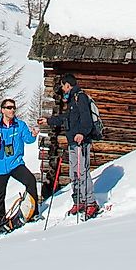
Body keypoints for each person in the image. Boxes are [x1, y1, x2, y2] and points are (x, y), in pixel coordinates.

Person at [42, 72, 101, 219]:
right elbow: (66, 118)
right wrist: (48, 121)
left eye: (63, 86)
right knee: (73, 172)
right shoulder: (72, 101)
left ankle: (91, 203)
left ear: (68, 85)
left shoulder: (80, 97)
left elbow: (86, 120)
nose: (62, 89)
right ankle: (79, 201)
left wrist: (81, 133)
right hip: (73, 142)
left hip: (82, 142)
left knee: (82, 172)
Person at [0, 97, 39, 234]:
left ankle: (33, 212)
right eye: (9, 107)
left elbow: (28, 139)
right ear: (3, 110)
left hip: (16, 163)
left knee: (30, 180)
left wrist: (33, 135)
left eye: (13, 107)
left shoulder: (20, 125)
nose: (12, 110)